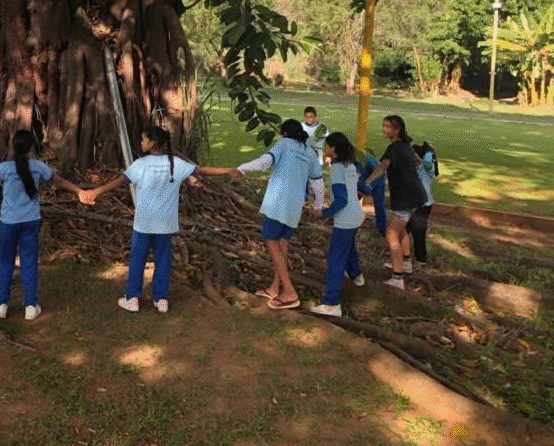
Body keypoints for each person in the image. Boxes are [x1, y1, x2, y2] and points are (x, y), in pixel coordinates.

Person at [79, 126, 237, 314]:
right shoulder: (175, 164)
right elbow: (202, 171)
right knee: (163, 261)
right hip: (165, 224)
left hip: (143, 224)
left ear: (152, 143)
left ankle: (132, 299)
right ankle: (161, 300)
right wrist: (228, 170)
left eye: (143, 140)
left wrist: (96, 191)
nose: (141, 143)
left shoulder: (140, 165)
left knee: (137, 261)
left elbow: (118, 182)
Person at [0, 130, 87, 321]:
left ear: (13, 147)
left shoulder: (4, 168)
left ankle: (1, 305)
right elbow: (60, 181)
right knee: (29, 261)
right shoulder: (38, 167)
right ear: (31, 148)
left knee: (6, 261)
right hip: (31, 221)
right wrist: (79, 191)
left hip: (9, 223)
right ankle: (30, 306)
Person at [234, 119, 325, 310]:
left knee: (270, 241)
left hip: (278, 203)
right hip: (296, 206)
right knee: (283, 243)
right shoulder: (310, 152)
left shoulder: (284, 143)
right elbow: (317, 183)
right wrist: (318, 206)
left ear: (284, 133)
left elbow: (265, 162)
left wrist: (242, 167)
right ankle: (274, 288)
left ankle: (290, 292)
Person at [363, 115, 428, 290]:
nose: (384, 129)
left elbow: (381, 168)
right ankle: (405, 263)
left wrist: (367, 182)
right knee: (400, 230)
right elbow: (418, 161)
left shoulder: (393, 149)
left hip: (406, 197)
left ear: (397, 130)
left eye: (388, 127)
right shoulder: (406, 146)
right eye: (383, 126)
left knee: (391, 233)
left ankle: (397, 278)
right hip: (415, 195)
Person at [310, 132, 366, 317]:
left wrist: (324, 213)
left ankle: (331, 303)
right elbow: (360, 189)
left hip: (346, 219)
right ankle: (356, 276)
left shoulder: (336, 168)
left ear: (333, 149)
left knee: (335, 259)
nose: (325, 148)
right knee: (348, 247)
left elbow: (341, 199)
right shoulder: (350, 165)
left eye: (327, 146)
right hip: (356, 215)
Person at [406, 141, 437, 266]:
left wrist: (428, 151)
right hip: (408, 205)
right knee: (401, 231)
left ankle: (420, 260)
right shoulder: (408, 168)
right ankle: (402, 258)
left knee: (418, 233)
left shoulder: (427, 169)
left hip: (422, 207)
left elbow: (429, 162)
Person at [357, 153, 388, 237]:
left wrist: (368, 185)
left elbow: (379, 171)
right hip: (364, 179)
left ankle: (383, 230)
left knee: (379, 205)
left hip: (378, 179)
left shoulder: (364, 158)